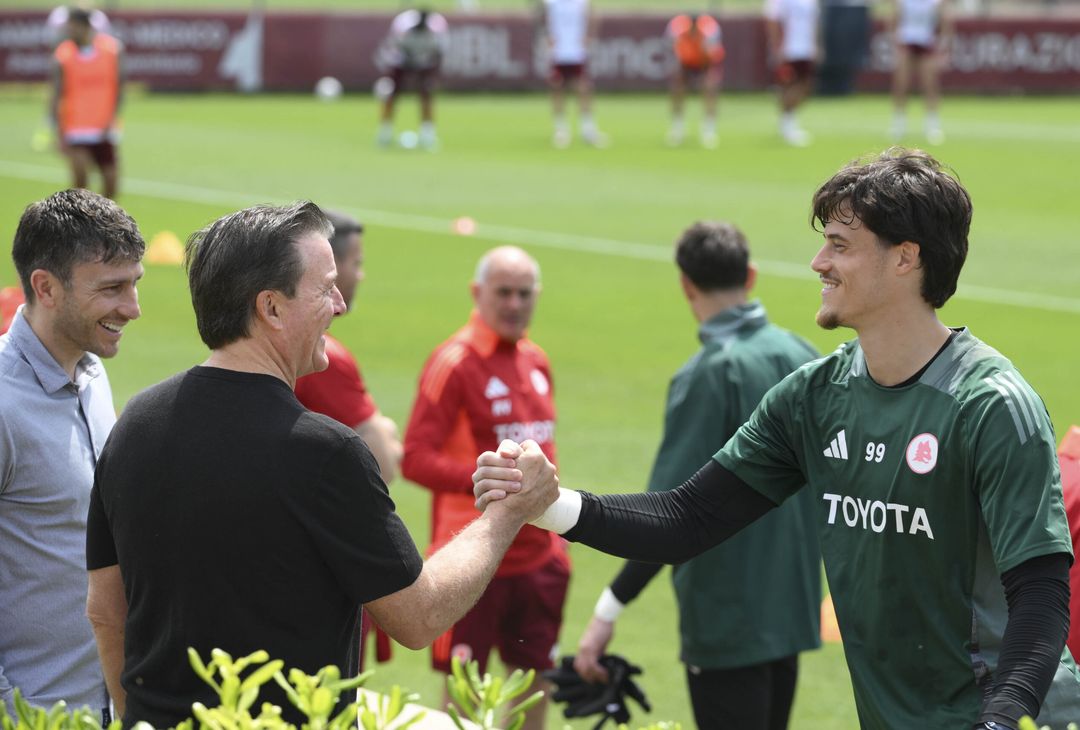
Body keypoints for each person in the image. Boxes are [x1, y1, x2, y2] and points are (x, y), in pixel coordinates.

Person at [475, 148, 1080, 729]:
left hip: (1019, 718)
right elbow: (688, 518)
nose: (819, 262)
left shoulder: (991, 406)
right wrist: (546, 504)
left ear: (905, 258)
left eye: (840, 245)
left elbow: (1042, 595)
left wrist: (1001, 723)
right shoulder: (815, 397)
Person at [84, 203, 558, 729]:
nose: (339, 304)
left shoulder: (131, 425)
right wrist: (507, 512)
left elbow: (106, 609)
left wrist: (138, 720)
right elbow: (419, 616)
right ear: (271, 307)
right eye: (325, 288)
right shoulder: (323, 452)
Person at [573, 221, 821, 730]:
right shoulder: (804, 356)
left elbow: (667, 515)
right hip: (791, 608)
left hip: (727, 618)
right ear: (750, 275)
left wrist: (607, 610)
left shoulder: (708, 374)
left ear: (686, 285)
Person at [402, 246, 566, 730]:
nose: (515, 304)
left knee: (535, 687)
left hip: (538, 559)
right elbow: (413, 456)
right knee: (465, 702)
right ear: (477, 294)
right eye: (503, 293)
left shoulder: (536, 360)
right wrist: (491, 479)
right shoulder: (454, 362)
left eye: (524, 293)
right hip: (474, 561)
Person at [0, 189, 144, 719]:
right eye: (112, 288)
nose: (132, 308)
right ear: (46, 288)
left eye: (134, 284)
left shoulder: (91, 374)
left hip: (104, 708)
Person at [293, 210, 402, 670]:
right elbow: (388, 459)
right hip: (325, 559)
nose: (358, 277)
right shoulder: (327, 358)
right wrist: (389, 433)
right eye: (354, 264)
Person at [50, 7, 125, 199]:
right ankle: (80, 226)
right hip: (75, 128)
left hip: (103, 127)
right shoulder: (63, 55)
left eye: (74, 27)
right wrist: (57, 130)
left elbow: (119, 87)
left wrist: (114, 118)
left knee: (111, 182)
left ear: (86, 27)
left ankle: (102, 224)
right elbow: (56, 94)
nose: (70, 32)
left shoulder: (111, 50)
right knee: (81, 183)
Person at [376, 8, 449, 150]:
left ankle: (427, 134)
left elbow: (440, 52)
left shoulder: (437, 27)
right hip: (401, 61)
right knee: (393, 94)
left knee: (426, 94)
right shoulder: (402, 25)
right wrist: (408, 60)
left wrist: (430, 70)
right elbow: (393, 47)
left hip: (425, 63)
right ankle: (384, 132)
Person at [541, 0, 607, 149]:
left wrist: (589, 36)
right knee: (557, 87)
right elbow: (542, 19)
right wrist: (547, 37)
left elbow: (594, 15)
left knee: (583, 88)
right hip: (558, 51)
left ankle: (587, 129)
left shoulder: (581, 2)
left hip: (576, 51)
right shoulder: (551, 3)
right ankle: (561, 128)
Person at [889, 0, 953, 144]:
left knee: (930, 84)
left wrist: (944, 46)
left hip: (926, 42)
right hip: (907, 41)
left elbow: (945, 22)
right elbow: (894, 19)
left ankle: (932, 125)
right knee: (901, 84)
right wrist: (895, 41)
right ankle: (899, 123)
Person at [664, 14, 725, 149]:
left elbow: (713, 55)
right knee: (677, 88)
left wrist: (706, 66)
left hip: (705, 63)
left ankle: (709, 130)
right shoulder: (678, 28)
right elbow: (673, 51)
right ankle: (677, 128)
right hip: (685, 63)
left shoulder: (709, 29)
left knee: (710, 87)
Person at [764, 0, 819, 146]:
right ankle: (787, 125)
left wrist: (815, 45)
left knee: (806, 86)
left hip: (806, 49)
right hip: (789, 49)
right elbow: (773, 20)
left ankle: (788, 121)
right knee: (790, 86)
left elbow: (813, 22)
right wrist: (777, 47)